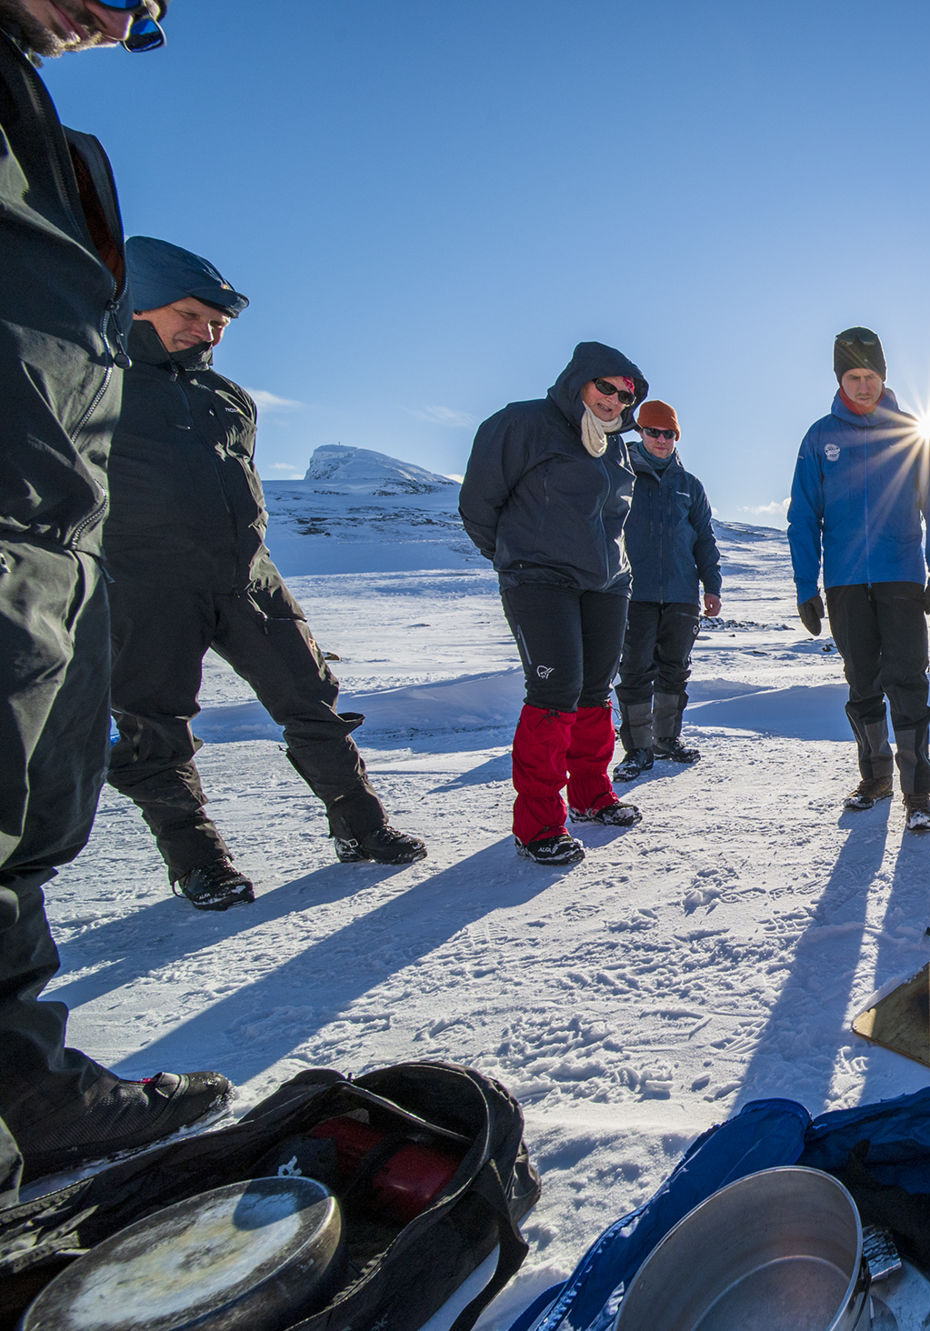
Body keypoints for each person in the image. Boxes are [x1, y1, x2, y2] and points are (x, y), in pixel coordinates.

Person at [2, 0, 233, 1186]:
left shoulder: (40, 124)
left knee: (25, 814)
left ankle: (24, 1087)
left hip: (46, 524)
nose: (132, 14)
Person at [103, 239, 427, 911]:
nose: (207, 331)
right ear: (139, 304)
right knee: (154, 726)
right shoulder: (92, 383)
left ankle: (361, 827)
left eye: (218, 323)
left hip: (248, 577)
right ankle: (199, 862)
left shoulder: (229, 396)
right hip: (146, 584)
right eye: (191, 314)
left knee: (312, 699)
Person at [461, 343, 648, 866]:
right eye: (604, 388)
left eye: (624, 394)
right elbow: (479, 502)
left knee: (592, 691)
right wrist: (517, 559)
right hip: (541, 581)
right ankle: (539, 823)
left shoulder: (614, 446)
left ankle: (591, 795)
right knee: (554, 691)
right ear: (579, 383)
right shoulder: (524, 424)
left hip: (607, 583)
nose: (613, 400)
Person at [788, 327, 930, 834]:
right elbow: (803, 517)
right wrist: (805, 586)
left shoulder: (909, 432)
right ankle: (876, 777)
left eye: (872, 377)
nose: (864, 387)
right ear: (841, 379)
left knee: (908, 683)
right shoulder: (820, 437)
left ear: (884, 376)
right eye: (854, 377)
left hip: (900, 578)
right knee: (862, 683)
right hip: (844, 584)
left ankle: (917, 793)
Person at [613, 399, 721, 780]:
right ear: (640, 431)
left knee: (675, 670)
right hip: (632, 592)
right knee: (636, 670)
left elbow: (704, 540)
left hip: (680, 594)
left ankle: (666, 739)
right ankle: (637, 748)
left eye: (668, 433)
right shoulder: (619, 473)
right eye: (653, 432)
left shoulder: (689, 486)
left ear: (677, 436)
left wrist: (712, 586)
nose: (661, 439)